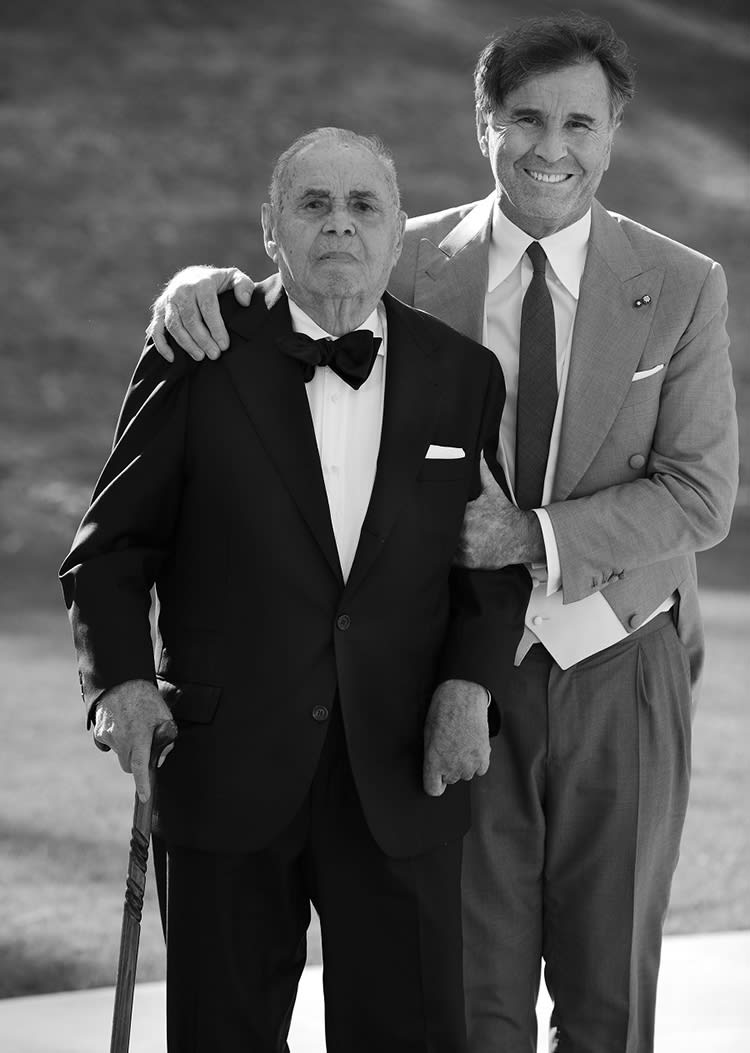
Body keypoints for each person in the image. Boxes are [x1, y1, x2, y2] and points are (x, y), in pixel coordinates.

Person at [145, 13, 739, 1053]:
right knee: (475, 1006)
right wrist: (194, 285)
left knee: (611, 1004)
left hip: (624, 662)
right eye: (525, 118)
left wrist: (531, 537)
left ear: (613, 133)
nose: (552, 146)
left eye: (580, 123)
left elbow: (700, 495)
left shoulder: (683, 284)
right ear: (483, 124)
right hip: (449, 677)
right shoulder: (403, 258)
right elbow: (291, 294)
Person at [60, 127, 530, 1052]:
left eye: (364, 206)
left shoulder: (462, 376)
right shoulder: (196, 355)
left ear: (399, 234)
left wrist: (470, 687)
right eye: (313, 203)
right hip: (224, 768)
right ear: (271, 231)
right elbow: (111, 548)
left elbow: (489, 558)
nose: (340, 225)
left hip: (402, 770)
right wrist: (119, 681)